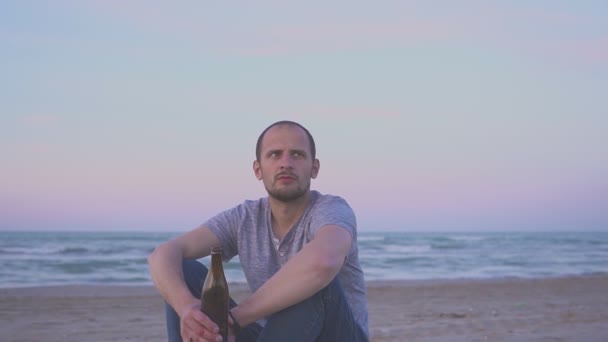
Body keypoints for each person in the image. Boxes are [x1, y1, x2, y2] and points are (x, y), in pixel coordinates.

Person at [148, 120, 369, 342]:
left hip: (338, 334)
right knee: (184, 271)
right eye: (274, 155)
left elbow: (324, 262)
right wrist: (187, 308)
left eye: (297, 155)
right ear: (258, 169)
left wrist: (236, 318)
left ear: (315, 168)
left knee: (319, 286)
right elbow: (164, 254)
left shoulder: (332, 210)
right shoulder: (244, 218)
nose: (286, 163)